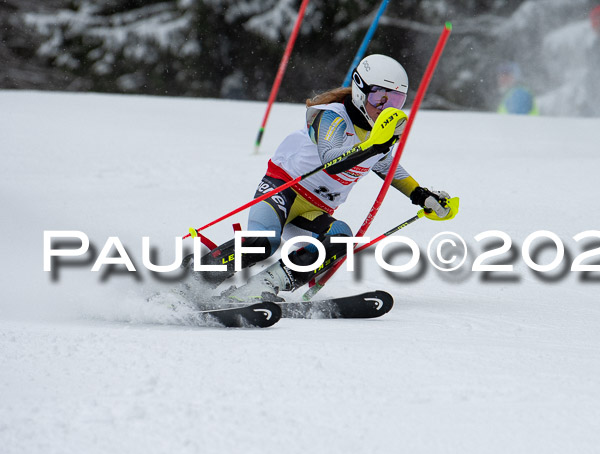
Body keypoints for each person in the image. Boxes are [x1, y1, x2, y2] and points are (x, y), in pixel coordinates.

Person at [193, 54, 456, 302]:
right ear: (359, 89)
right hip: (283, 190)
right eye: (379, 97)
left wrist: (421, 195)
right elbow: (332, 160)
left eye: (396, 101)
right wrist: (374, 146)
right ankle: (191, 283)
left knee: (341, 237)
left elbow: (386, 165)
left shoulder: (379, 135)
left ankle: (259, 288)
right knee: (263, 243)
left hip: (315, 209)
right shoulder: (332, 116)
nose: (384, 108)